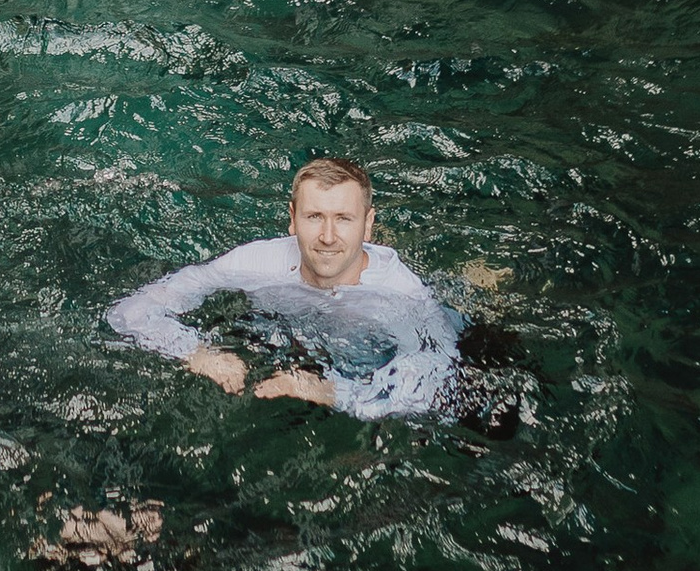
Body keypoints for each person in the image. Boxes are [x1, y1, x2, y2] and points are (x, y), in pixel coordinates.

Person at [106, 154, 512, 428]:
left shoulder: (401, 296)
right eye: (315, 216)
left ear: (367, 225)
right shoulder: (255, 264)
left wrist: (328, 391)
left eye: (344, 219)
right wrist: (196, 352)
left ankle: (485, 279)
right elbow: (128, 313)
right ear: (292, 219)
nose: (328, 237)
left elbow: (433, 384)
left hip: (362, 362)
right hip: (287, 334)